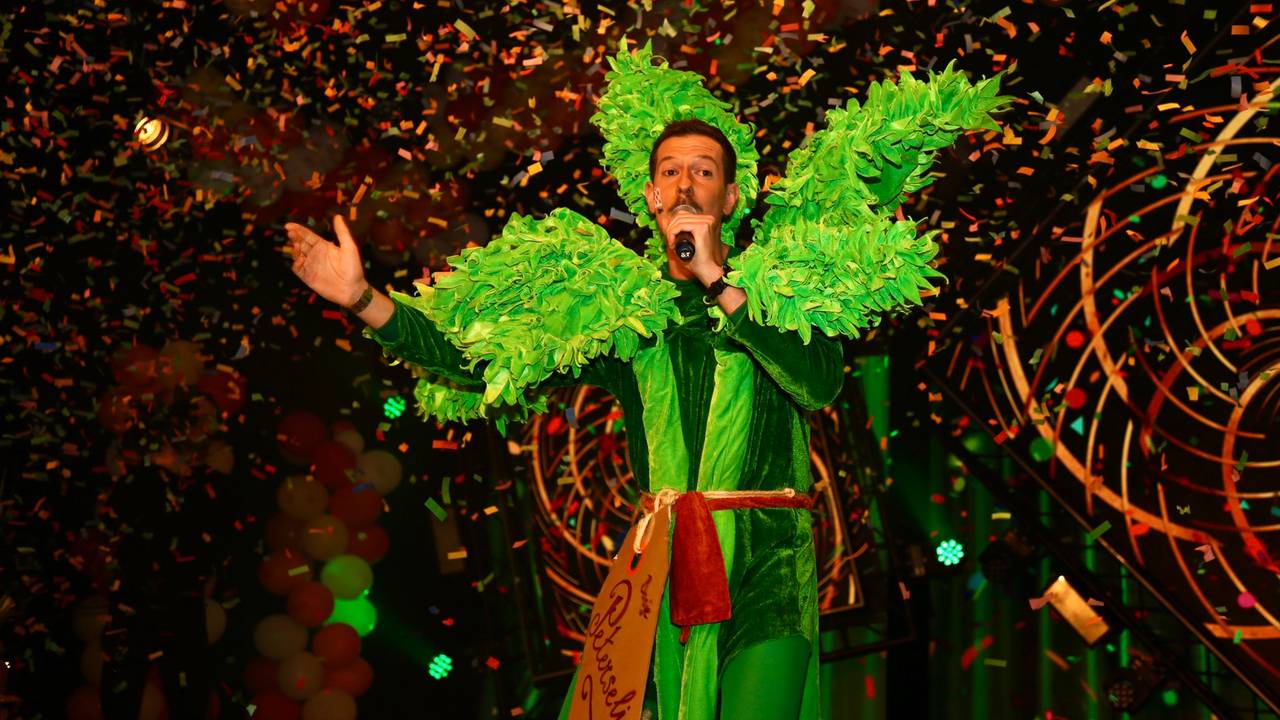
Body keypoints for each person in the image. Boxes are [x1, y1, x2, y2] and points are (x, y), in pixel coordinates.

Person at [286, 118, 845, 720]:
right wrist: (364, 300)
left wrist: (715, 277)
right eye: (671, 172)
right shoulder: (623, 313)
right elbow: (483, 361)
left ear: (730, 197)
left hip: (770, 566)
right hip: (666, 566)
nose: (686, 184)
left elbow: (818, 383)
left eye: (704, 171)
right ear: (653, 196)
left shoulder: (779, 291)